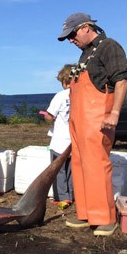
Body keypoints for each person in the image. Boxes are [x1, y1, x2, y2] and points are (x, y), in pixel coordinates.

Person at [57, 12, 127, 236]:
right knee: (79, 165)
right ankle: (86, 213)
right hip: (79, 120)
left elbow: (121, 80)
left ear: (86, 27)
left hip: (97, 118)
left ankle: (105, 218)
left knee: (97, 165)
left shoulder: (109, 46)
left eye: (72, 34)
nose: (70, 40)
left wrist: (115, 112)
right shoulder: (85, 54)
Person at [41, 64, 74, 207]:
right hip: (75, 141)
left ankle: (61, 197)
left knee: (58, 170)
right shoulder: (81, 95)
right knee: (71, 170)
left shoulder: (60, 96)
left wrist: (46, 116)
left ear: (65, 81)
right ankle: (72, 194)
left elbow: (50, 116)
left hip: (60, 140)